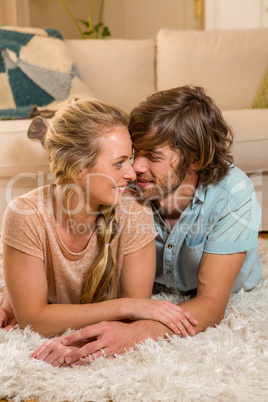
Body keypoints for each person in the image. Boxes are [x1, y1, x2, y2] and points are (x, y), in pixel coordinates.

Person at [35, 85, 262, 367]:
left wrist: (136, 332)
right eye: (134, 153)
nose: (136, 168)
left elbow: (212, 304)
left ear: (195, 159)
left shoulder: (232, 194)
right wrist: (16, 296)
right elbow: (64, 218)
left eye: (153, 156)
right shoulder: (124, 182)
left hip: (226, 288)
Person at [0, 98, 197, 366]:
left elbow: (135, 315)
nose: (131, 174)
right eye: (119, 164)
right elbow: (34, 320)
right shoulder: (25, 214)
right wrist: (122, 306)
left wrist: (121, 314)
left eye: (129, 159)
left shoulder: (135, 211)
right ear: (79, 168)